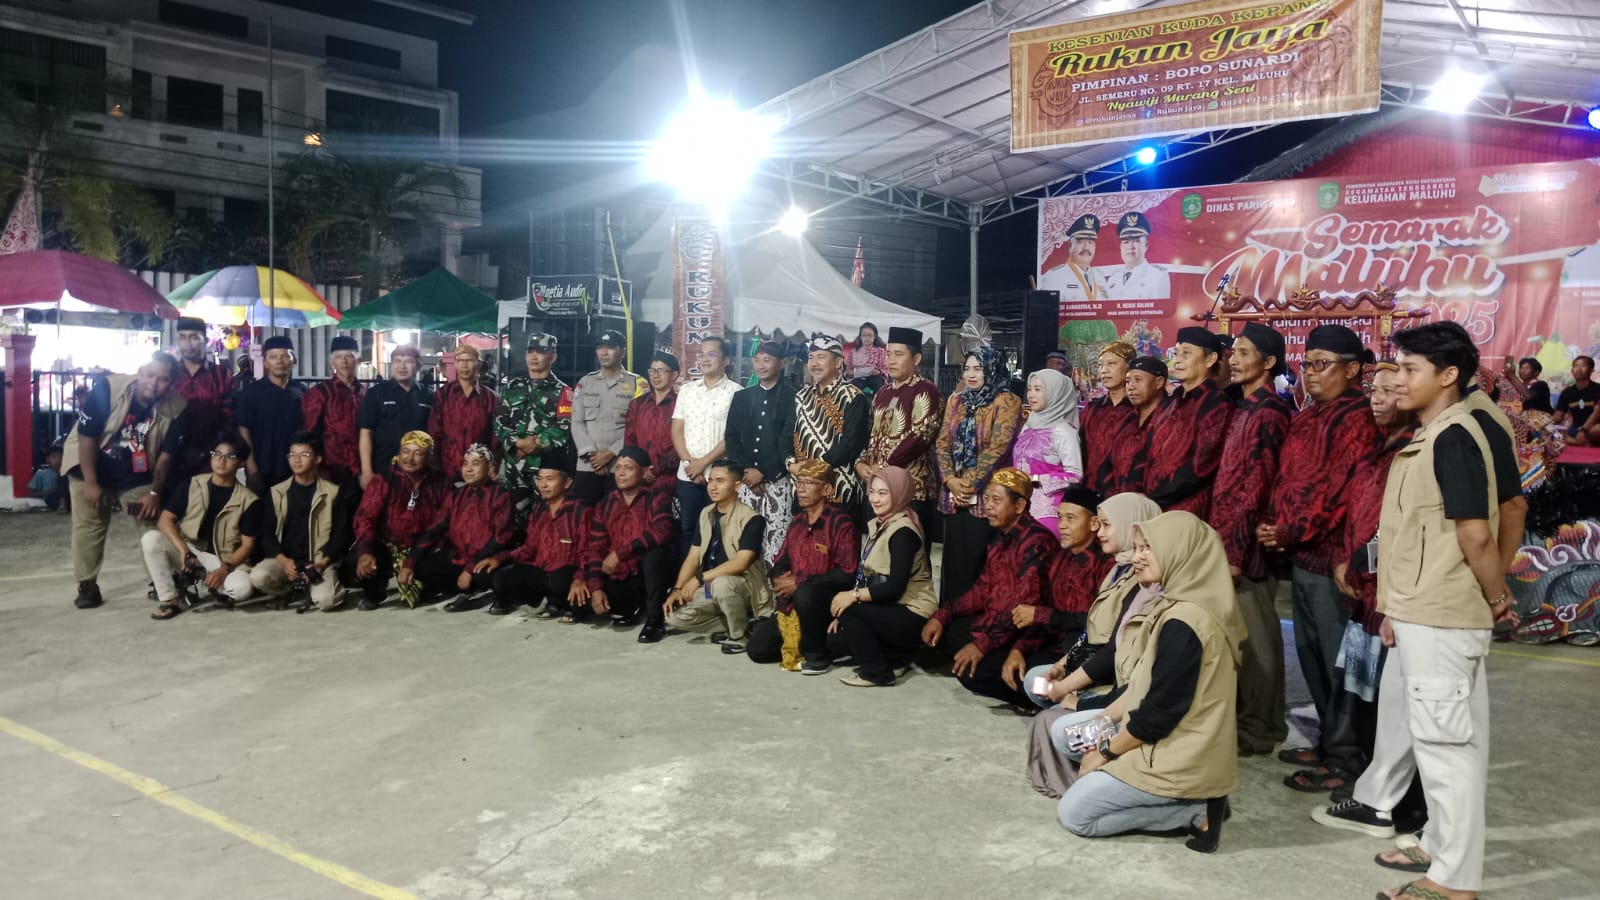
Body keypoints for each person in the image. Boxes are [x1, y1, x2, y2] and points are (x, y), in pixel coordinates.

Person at [1313, 322, 1517, 900]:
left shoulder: (1455, 436)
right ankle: (1439, 845)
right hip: (1425, 612)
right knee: (1449, 744)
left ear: (1448, 375)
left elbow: (1476, 532)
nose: (1397, 381)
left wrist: (1497, 597)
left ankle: (1452, 882)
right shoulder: (1435, 434)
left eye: (1409, 370)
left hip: (1442, 616)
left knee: (1447, 751)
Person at [1055, 511, 1245, 855]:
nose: (1137, 556)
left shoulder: (1185, 624)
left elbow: (1157, 716)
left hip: (1175, 750)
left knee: (1075, 814)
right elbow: (1141, 687)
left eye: (1148, 548)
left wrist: (1103, 753)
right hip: (1153, 733)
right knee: (1066, 735)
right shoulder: (1176, 603)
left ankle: (1196, 809)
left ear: (1180, 553)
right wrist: (1099, 721)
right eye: (1138, 547)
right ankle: (1123, 782)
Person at [1287, 362, 1417, 794]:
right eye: (1374, 390)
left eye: (1389, 391)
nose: (1376, 399)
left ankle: (1353, 762)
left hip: (1382, 588)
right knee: (1352, 673)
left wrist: (1358, 562)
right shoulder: (1381, 445)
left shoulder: (1410, 451)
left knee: (1366, 679)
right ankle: (1340, 752)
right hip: (1358, 582)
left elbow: (1391, 523)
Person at [1262, 324, 1383, 742]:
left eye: (1321, 364)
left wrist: (1290, 530)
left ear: (1351, 370)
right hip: (1303, 555)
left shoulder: (1359, 418)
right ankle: (1331, 742)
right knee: (1311, 655)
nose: (1311, 374)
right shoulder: (1308, 416)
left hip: (1338, 562)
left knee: (1341, 659)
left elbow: (1340, 491)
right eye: (1307, 364)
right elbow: (1289, 480)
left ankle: (1350, 752)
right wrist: (1277, 524)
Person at [1022, 491, 1160, 798]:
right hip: (1112, 683)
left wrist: (1079, 701)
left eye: (1108, 524)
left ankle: (1101, 775)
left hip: (1123, 698)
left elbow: (1132, 676)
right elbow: (1095, 631)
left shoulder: (1153, 592)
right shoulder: (1119, 571)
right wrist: (1065, 665)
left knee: (1060, 730)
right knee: (1036, 683)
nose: (1100, 531)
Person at [1209, 322, 1293, 756]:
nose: (1234, 360)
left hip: (1247, 549)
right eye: (1234, 353)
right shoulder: (1244, 406)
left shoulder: (1270, 412)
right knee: (1237, 636)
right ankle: (1246, 719)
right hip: (1227, 539)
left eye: (1244, 353)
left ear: (1269, 362)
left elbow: (1257, 486)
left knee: (1257, 639)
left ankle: (1261, 728)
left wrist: (1237, 551)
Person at [60, 352, 189, 609]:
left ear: (171, 383)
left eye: (163, 379)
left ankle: (160, 580)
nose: (154, 383)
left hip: (134, 470)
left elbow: (166, 457)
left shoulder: (178, 407)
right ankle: (87, 584)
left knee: (150, 520)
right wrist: (91, 483)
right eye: (150, 375)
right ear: (140, 372)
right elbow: (86, 438)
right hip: (90, 463)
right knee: (89, 525)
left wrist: (154, 493)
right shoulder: (108, 389)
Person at [921, 468, 1057, 709]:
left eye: (996, 500)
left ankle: (1036, 697)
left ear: (1019, 505)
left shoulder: (1037, 542)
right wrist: (943, 614)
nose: (989, 507)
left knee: (971, 675)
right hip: (997, 623)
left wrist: (981, 645)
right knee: (943, 631)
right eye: (987, 500)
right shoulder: (1000, 537)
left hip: (1027, 633)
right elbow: (981, 590)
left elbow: (1021, 607)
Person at [827, 466, 939, 686]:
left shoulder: (903, 532)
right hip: (892, 605)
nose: (875, 499)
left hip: (913, 611)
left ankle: (877, 673)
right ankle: (897, 658)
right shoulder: (884, 523)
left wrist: (853, 598)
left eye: (883, 493)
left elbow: (895, 587)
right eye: (872, 492)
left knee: (850, 612)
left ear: (899, 493)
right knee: (836, 639)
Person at [934, 346, 1022, 606]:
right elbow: (942, 443)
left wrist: (969, 484)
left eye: (978, 368)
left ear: (991, 370)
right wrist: (951, 480)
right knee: (953, 564)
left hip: (986, 498)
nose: (971, 375)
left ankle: (974, 624)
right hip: (954, 495)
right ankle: (947, 620)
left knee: (978, 564)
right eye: (967, 369)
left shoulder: (1007, 401)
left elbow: (999, 447)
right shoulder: (956, 400)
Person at [141, 433, 261, 619]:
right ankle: (170, 600)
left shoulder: (249, 500)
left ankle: (209, 586)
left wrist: (224, 570)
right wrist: (183, 550)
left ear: (241, 463)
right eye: (217, 454)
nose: (221, 460)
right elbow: (165, 519)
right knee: (151, 539)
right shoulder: (192, 484)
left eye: (229, 456)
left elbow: (247, 546)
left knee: (242, 589)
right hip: (191, 550)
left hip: (223, 559)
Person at [1006, 485, 1112, 687]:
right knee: (989, 670)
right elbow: (1043, 611)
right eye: (1060, 517)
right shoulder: (1058, 559)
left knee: (1034, 677)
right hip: (1052, 643)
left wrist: (1043, 615)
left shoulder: (1107, 564)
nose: (1062, 525)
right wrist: (1019, 649)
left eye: (1070, 518)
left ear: (1093, 523)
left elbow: (1096, 621)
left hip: (1082, 649)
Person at [662, 459, 772, 650]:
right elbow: (693, 556)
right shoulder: (706, 513)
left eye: (720, 481)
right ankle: (742, 625)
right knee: (674, 616)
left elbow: (741, 563)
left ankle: (739, 636)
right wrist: (678, 589)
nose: (712, 486)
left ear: (737, 486)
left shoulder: (752, 519)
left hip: (744, 587)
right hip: (710, 586)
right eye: (711, 480)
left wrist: (699, 578)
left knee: (722, 584)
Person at [770, 460, 859, 674]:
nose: (800, 489)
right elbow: (781, 561)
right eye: (799, 482)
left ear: (827, 489)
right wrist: (780, 579)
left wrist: (800, 582)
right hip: (793, 601)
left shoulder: (842, 523)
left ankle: (819, 657)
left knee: (806, 593)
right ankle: (804, 641)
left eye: (808, 483)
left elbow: (846, 573)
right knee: (758, 650)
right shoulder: (797, 521)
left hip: (825, 601)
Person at [344, 430, 448, 610]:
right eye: (405, 451)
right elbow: (365, 518)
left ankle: (427, 585)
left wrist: (411, 560)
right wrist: (366, 552)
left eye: (417, 453)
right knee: (357, 561)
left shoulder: (440, 482)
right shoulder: (383, 480)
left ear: (429, 456)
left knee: (435, 567)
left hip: (422, 547)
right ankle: (375, 592)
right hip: (387, 544)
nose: (410, 458)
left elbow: (438, 526)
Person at [252, 431, 355, 612]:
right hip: (287, 561)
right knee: (258, 576)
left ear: (318, 459)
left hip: (319, 562)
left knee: (327, 601)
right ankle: (288, 591)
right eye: (292, 455)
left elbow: (341, 535)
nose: (296, 460)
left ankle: (330, 586)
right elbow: (267, 534)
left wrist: (322, 563)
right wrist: (284, 562)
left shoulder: (333, 493)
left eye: (304, 454)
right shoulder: (277, 492)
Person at [482, 449, 592, 619]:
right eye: (540, 479)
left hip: (567, 575)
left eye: (549, 479)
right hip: (542, 573)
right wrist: (500, 558)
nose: (543, 485)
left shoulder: (581, 511)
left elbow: (588, 552)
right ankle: (551, 601)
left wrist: (580, 577)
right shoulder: (539, 509)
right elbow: (530, 547)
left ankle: (559, 602)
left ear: (567, 483)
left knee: (559, 582)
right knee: (500, 578)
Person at [1140, 327, 1234, 520]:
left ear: (1210, 359)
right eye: (1177, 353)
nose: (1178, 359)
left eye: (1187, 353)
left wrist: (1156, 497)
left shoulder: (1217, 405)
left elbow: (1200, 467)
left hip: (1187, 511)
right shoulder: (1169, 403)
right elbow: (1147, 453)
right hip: (1151, 507)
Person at [406, 444, 514, 611]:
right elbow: (434, 529)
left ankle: (494, 595)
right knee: (422, 568)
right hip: (460, 557)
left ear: (490, 468)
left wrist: (470, 569)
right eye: (465, 463)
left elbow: (501, 539)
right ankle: (462, 587)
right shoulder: (456, 495)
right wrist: (409, 562)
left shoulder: (501, 496)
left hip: (488, 558)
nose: (469, 469)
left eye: (475, 464)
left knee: (491, 576)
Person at [582, 446, 675, 639]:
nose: (621, 473)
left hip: (650, 572)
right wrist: (596, 588)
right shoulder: (606, 503)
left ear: (644, 472)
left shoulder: (657, 497)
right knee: (579, 598)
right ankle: (634, 606)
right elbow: (596, 548)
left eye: (629, 468)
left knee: (654, 557)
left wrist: (621, 552)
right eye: (618, 467)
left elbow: (661, 532)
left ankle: (655, 621)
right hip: (622, 574)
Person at [856, 326, 943, 529]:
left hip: (911, 491)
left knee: (907, 546)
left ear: (916, 359)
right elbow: (871, 434)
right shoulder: (882, 393)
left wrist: (883, 466)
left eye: (898, 354)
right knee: (876, 546)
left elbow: (919, 437)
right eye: (888, 354)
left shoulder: (925, 391)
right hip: (878, 488)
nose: (891, 360)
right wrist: (861, 463)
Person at [725, 341, 797, 565]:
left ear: (781, 363)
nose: (761, 365)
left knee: (776, 543)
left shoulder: (793, 397)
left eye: (767, 360)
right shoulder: (742, 397)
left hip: (778, 480)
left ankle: (773, 587)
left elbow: (790, 440)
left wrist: (764, 472)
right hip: (746, 481)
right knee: (743, 541)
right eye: (757, 360)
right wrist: (747, 470)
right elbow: (731, 437)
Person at [788, 335, 871, 511]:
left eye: (821, 357)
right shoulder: (800, 397)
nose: (814, 363)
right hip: (802, 490)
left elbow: (851, 444)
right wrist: (790, 463)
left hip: (839, 488)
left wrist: (814, 468)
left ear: (838, 362)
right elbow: (786, 434)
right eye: (811, 357)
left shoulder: (853, 396)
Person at [494, 332, 574, 514]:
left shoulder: (563, 391)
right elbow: (499, 422)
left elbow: (564, 427)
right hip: (514, 468)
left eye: (541, 352)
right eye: (530, 351)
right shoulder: (511, 388)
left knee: (545, 517)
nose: (534, 356)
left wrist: (535, 444)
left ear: (553, 357)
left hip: (546, 470)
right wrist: (518, 443)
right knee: (512, 518)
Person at [671, 337, 739, 548]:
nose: (705, 359)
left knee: (719, 532)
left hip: (720, 477)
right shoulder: (687, 390)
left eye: (712, 354)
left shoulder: (737, 392)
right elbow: (677, 430)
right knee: (688, 529)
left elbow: (732, 436)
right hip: (688, 475)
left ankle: (714, 571)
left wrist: (702, 464)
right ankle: (688, 570)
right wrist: (689, 464)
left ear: (726, 360)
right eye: (701, 354)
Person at [570, 329, 644, 503]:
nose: (604, 352)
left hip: (621, 466)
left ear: (623, 351)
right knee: (583, 514)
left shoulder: (637, 383)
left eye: (610, 347)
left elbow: (638, 426)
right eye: (600, 347)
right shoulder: (585, 383)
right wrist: (592, 456)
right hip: (588, 465)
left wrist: (611, 453)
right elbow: (577, 422)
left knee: (617, 515)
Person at [1013, 369, 1083, 536]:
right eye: (1030, 389)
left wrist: (1036, 479)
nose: (1031, 395)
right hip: (1019, 509)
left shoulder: (1063, 431)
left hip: (1046, 512)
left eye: (1038, 389)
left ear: (1054, 393)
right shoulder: (1028, 426)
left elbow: (1075, 475)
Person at [236, 335, 305, 492]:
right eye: (273, 357)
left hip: (294, 467)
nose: (279, 361)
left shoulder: (301, 392)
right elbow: (244, 430)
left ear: (293, 361)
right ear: (265, 363)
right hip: (262, 468)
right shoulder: (251, 392)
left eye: (285, 356)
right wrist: (252, 469)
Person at [359, 345, 434, 489]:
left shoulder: (428, 396)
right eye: (397, 361)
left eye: (408, 361)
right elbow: (366, 432)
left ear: (418, 366)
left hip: (417, 473)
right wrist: (367, 471)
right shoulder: (376, 393)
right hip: (383, 469)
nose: (402, 366)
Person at [428, 344, 499, 485]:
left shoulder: (490, 398)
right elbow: (434, 433)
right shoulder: (443, 395)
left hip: (480, 471)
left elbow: (495, 437)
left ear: (478, 364)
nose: (464, 365)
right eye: (460, 360)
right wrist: (435, 469)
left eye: (469, 360)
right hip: (447, 470)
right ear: (455, 364)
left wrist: (493, 467)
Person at [171, 316, 233, 475]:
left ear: (205, 340)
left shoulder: (222, 375)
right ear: (177, 341)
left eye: (194, 337)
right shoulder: (169, 374)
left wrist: (206, 451)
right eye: (182, 337)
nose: (187, 343)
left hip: (210, 460)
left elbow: (229, 418)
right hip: (169, 457)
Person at [300, 336, 366, 484]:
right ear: (332, 362)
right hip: (331, 469)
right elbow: (310, 433)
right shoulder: (320, 393)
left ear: (359, 360)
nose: (344, 361)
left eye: (349, 356)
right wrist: (317, 468)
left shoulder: (364, 392)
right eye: (338, 357)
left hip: (363, 468)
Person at [1081, 342, 1137, 494]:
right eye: (1100, 365)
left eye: (1111, 363)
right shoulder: (1092, 409)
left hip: (1127, 492)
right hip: (1091, 490)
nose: (1104, 370)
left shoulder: (1139, 409)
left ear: (1129, 367)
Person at [625, 351, 680, 494]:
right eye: (652, 371)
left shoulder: (681, 404)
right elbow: (629, 439)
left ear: (674, 375)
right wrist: (639, 467)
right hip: (638, 476)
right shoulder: (637, 404)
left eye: (661, 371)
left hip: (669, 478)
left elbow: (682, 442)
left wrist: (656, 469)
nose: (655, 375)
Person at [1115, 356, 1169, 494]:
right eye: (1128, 381)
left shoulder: (1170, 421)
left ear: (1159, 382)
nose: (1130, 386)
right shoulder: (1125, 421)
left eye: (1138, 380)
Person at [1100, 212, 1170, 300]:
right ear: (1121, 247)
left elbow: (1160, 308)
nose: (1131, 247)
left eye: (1137, 241)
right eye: (1126, 242)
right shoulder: (1113, 278)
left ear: (1146, 246)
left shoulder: (1157, 276)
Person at [1037, 214, 1105, 301]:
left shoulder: (1100, 277)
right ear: (1070, 246)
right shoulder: (1054, 276)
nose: (1086, 247)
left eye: (1090, 242)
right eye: (1080, 242)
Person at [1553, 355, 1599, 443]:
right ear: (1572, 371)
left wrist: (1583, 430)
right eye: (1576, 366)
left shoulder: (1598, 389)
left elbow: (1596, 414)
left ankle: (1577, 441)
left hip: (1593, 427)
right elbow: (1558, 416)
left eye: (1583, 366)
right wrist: (1545, 424)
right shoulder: (1567, 392)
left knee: (1596, 431)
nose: (1578, 369)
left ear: (1591, 370)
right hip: (1575, 429)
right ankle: (1579, 442)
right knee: (1547, 430)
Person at [845, 322, 888, 392]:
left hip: (875, 379)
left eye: (870, 335)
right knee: (855, 385)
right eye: (864, 335)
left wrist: (874, 371)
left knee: (877, 383)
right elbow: (848, 372)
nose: (867, 338)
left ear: (875, 336)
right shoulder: (853, 352)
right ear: (860, 336)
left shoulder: (880, 351)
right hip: (858, 379)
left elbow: (884, 369)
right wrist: (860, 372)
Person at [28, 445, 65, 511]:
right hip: (50, 500)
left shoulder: (66, 473)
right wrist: (47, 492)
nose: (59, 460)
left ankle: (63, 505)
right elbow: (31, 494)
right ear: (48, 459)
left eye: (62, 457)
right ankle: (62, 505)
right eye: (54, 457)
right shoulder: (41, 473)